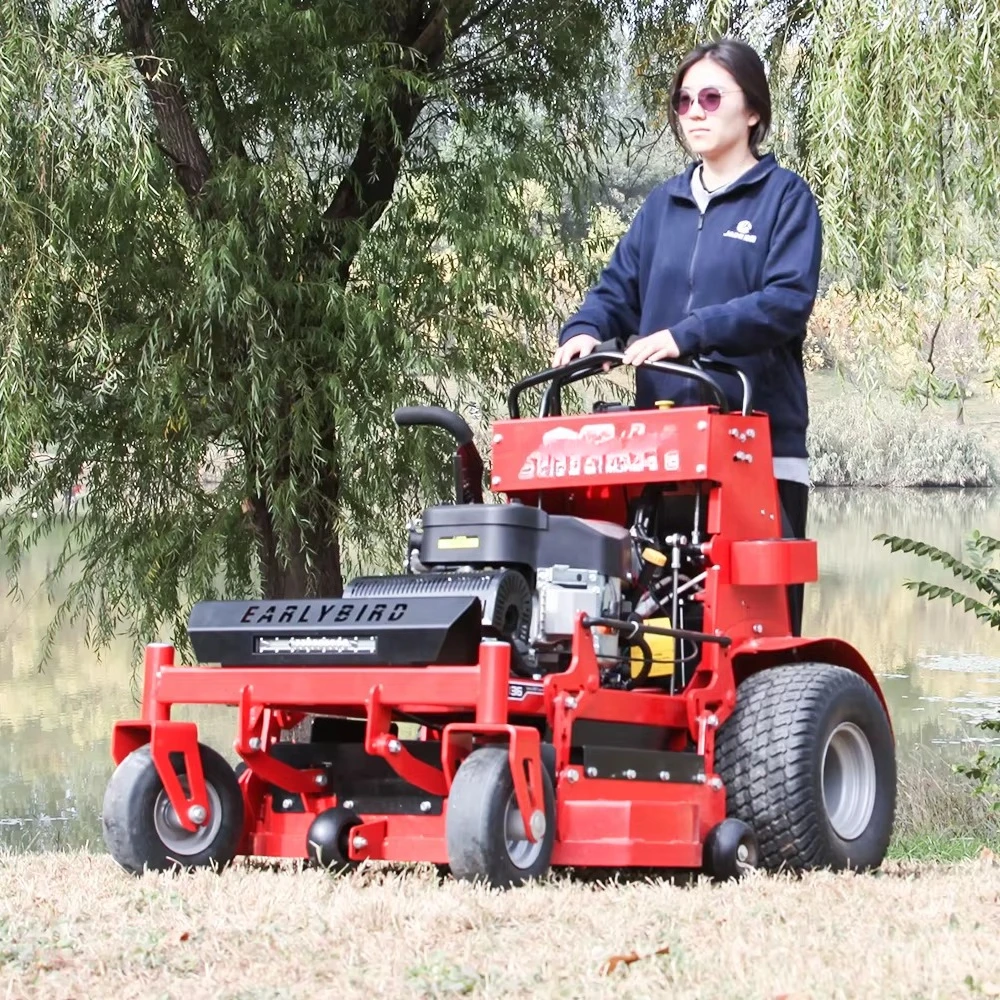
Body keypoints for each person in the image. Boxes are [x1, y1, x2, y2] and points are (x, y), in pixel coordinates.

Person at [552, 37, 821, 636]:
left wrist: (687, 334)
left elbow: (785, 303)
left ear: (753, 111)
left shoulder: (786, 200)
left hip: (758, 446)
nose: (693, 112)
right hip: (662, 449)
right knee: (657, 625)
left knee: (756, 631)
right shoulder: (661, 206)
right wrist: (587, 329)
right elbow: (618, 289)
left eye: (709, 97)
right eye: (683, 101)